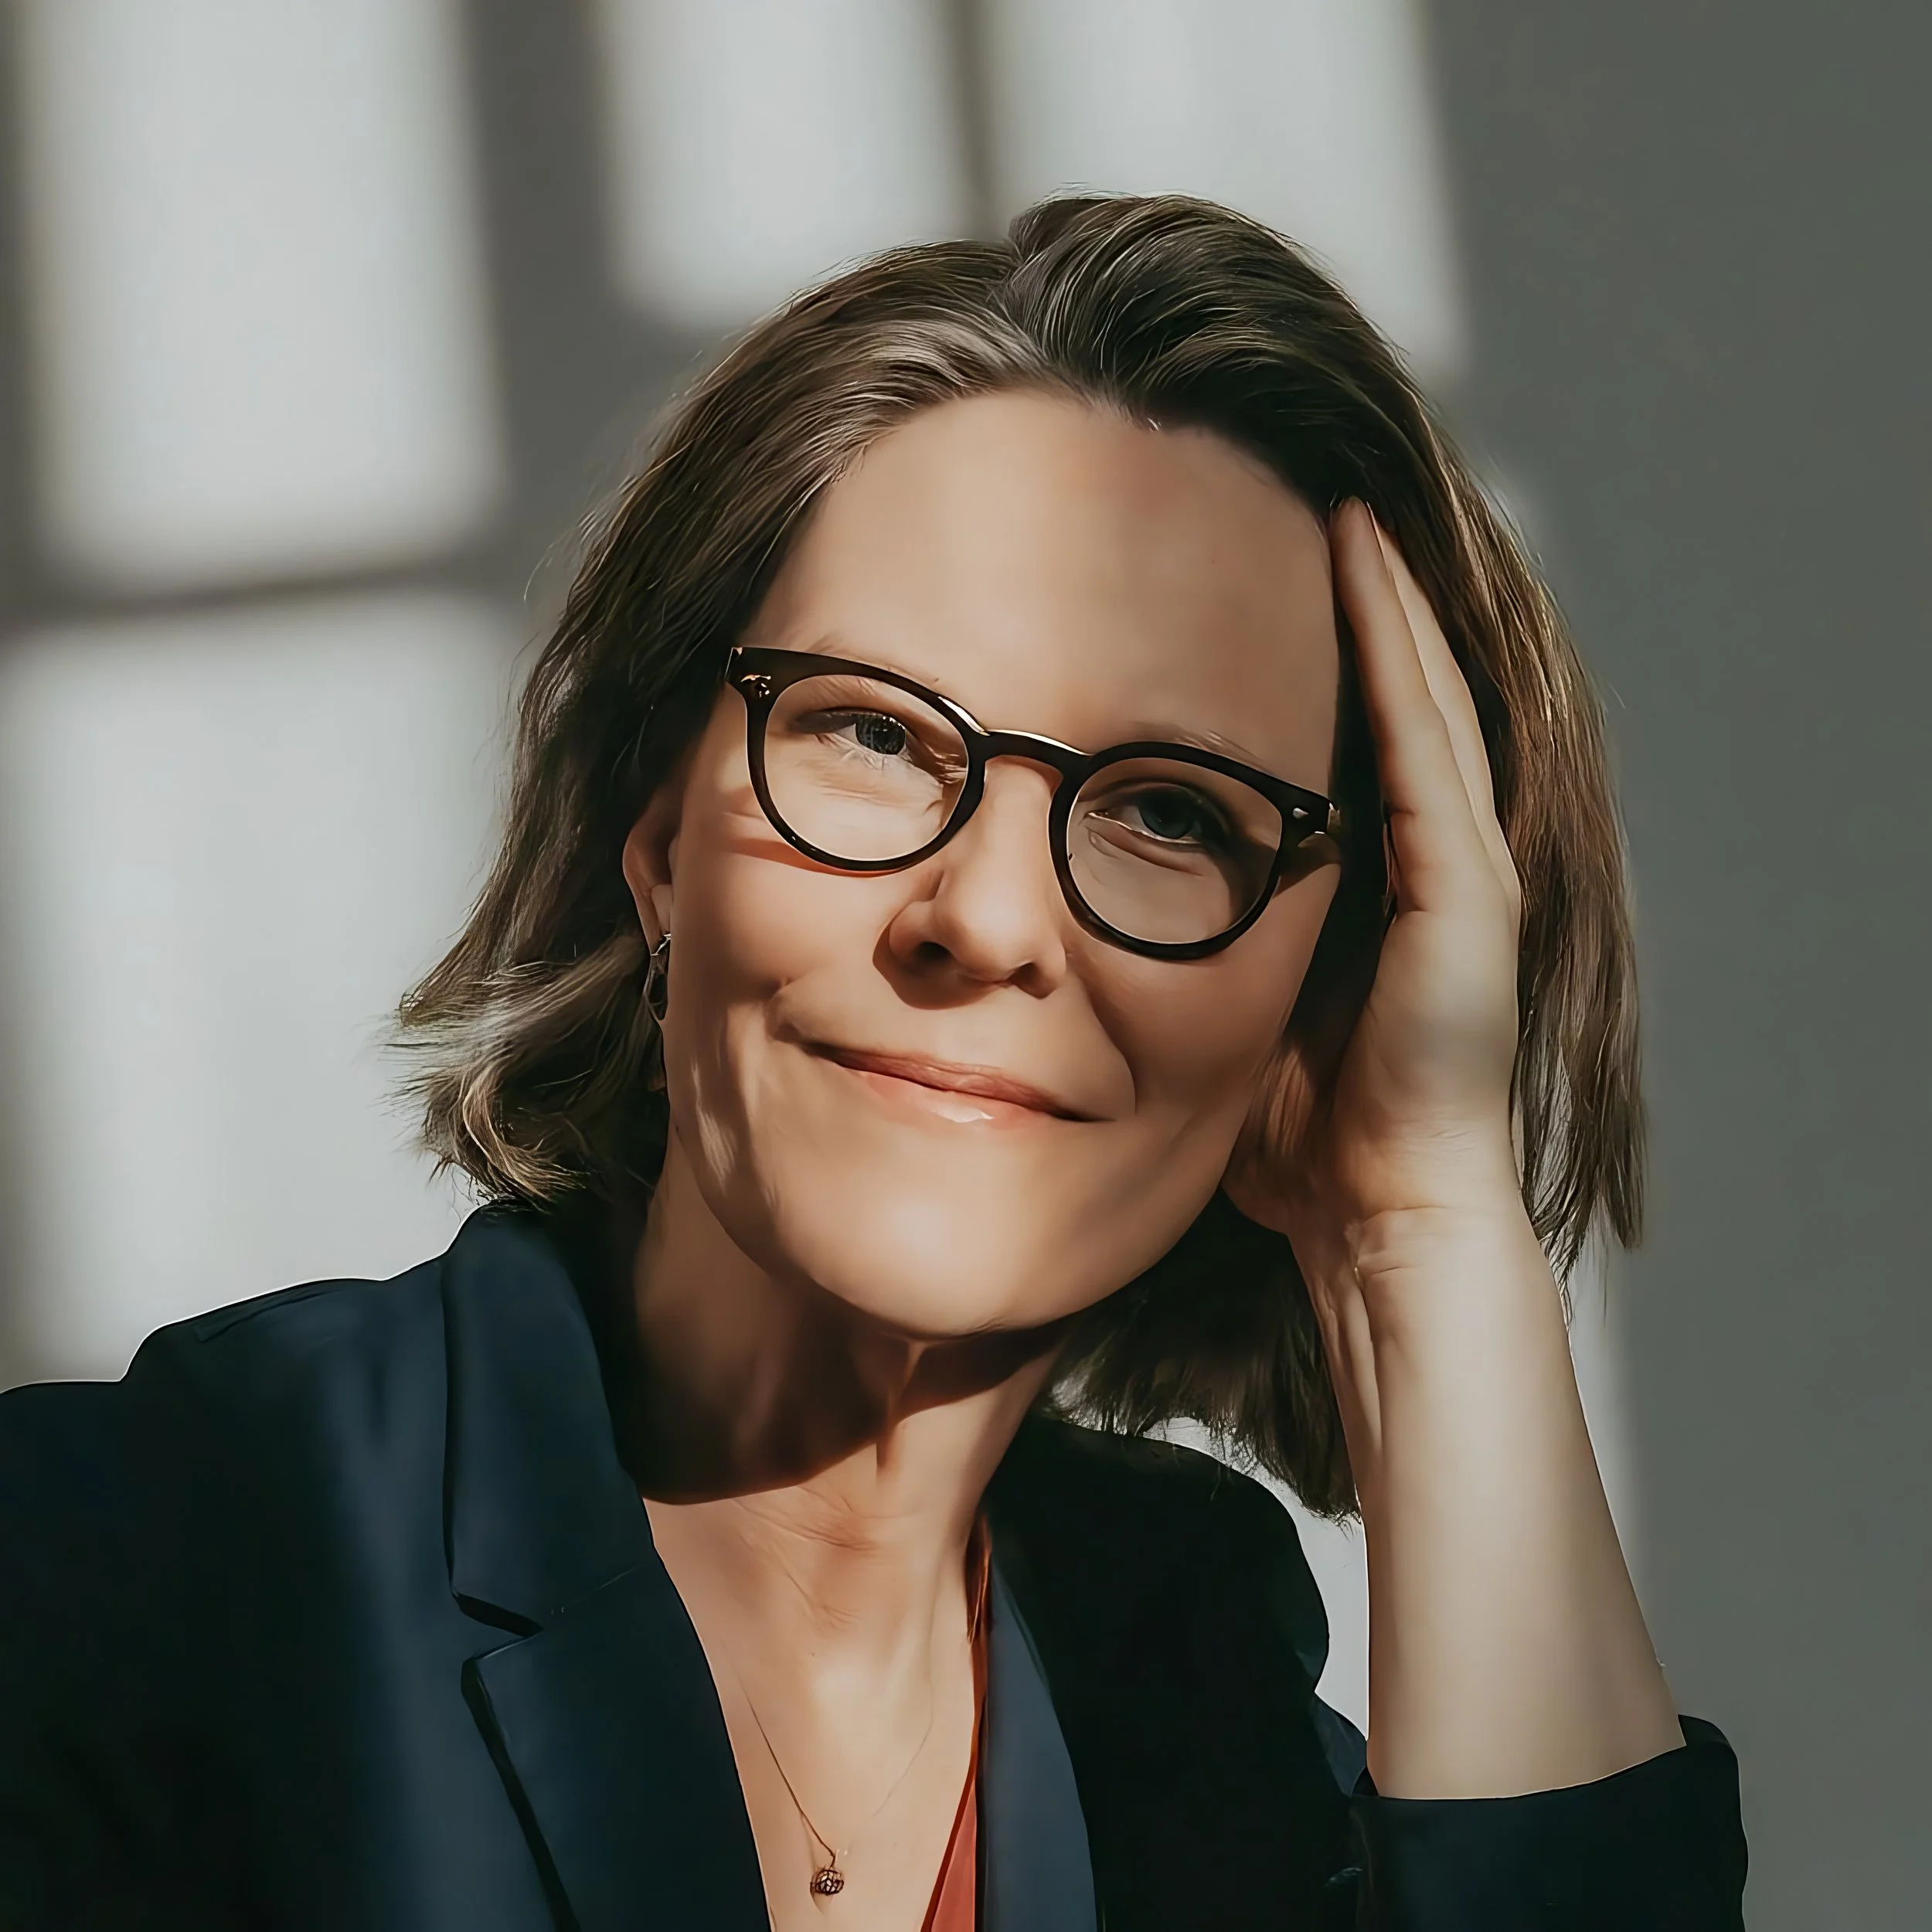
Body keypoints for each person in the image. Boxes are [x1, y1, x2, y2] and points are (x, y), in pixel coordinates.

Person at [0, 194, 1746, 1930]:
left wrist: (1421, 1238)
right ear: (654, 822)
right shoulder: (122, 1574)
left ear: (1322, 989)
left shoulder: (1198, 1708)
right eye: (870, 729)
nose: (983, 917)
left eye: (1168, 811)